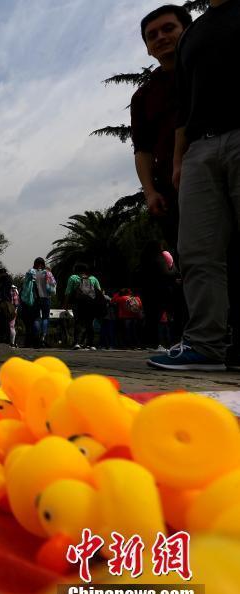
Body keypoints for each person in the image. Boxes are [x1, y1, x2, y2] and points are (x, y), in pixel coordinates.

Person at [149, 0, 240, 370]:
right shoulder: (193, 35)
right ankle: (205, 343)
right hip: (199, 149)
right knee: (197, 251)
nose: (160, 38)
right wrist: (178, 160)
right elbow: (185, 107)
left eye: (164, 30)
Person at [131, 5, 194, 257]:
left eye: (169, 28)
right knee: (192, 257)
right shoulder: (143, 95)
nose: (160, 37)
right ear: (147, 48)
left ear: (188, 30)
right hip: (173, 188)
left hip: (222, 166)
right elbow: (142, 149)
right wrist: (150, 191)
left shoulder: (206, 69)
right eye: (152, 35)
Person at [64, 263, 103, 350]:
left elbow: (68, 292)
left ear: (76, 270)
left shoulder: (73, 278)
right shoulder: (93, 279)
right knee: (89, 323)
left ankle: (77, 343)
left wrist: (66, 304)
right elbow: (99, 292)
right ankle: (91, 344)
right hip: (90, 304)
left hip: (77, 304)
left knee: (77, 322)